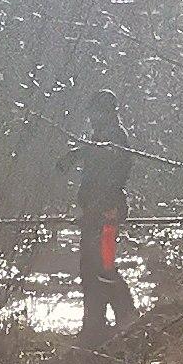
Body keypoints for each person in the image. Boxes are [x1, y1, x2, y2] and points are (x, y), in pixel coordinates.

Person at [68, 94, 140, 330]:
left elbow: (113, 173)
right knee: (90, 267)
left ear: (106, 112)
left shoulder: (114, 138)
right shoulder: (103, 136)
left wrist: (105, 207)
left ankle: (127, 319)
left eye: (94, 112)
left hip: (106, 211)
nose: (90, 117)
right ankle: (95, 324)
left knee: (103, 267)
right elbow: (94, 156)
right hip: (94, 210)